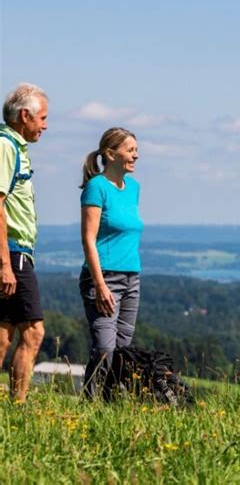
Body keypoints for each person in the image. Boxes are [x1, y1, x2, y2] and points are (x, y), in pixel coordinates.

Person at [79, 127, 143, 397]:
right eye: (130, 150)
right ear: (110, 154)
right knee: (105, 348)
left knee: (122, 350)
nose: (136, 156)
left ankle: (109, 404)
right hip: (103, 277)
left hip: (132, 278)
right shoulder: (96, 187)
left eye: (136, 150)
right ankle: (89, 403)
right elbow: (88, 239)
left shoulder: (134, 188)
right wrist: (100, 284)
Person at [0, 83, 49, 401]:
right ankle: (18, 406)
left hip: (14, 252)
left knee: (4, 332)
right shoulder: (6, 146)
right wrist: (5, 263)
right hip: (12, 251)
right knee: (33, 331)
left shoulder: (11, 145)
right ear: (24, 115)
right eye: (42, 118)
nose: (44, 125)